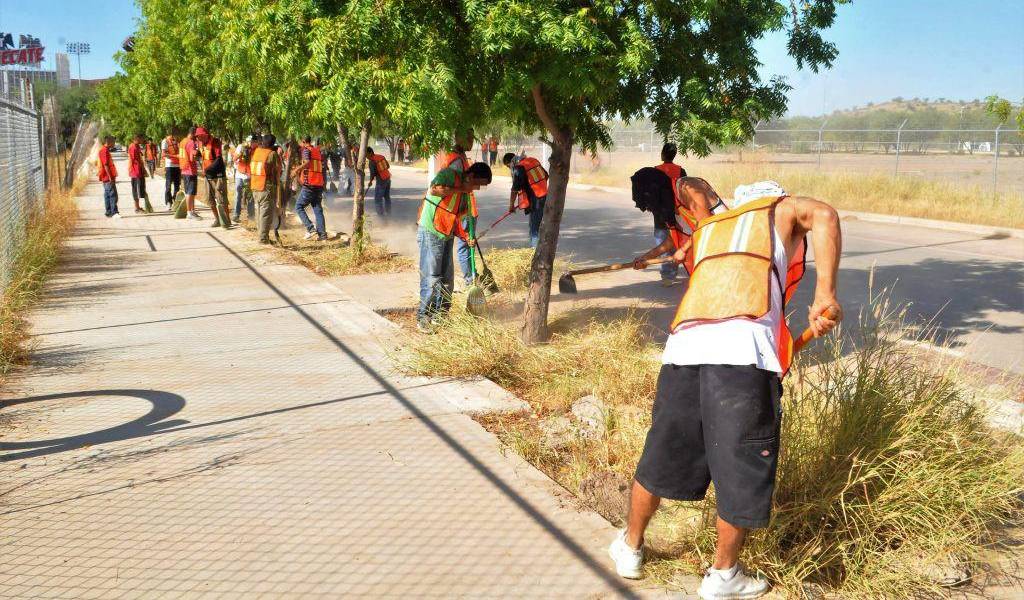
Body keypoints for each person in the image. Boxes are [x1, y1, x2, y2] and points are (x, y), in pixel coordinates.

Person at [609, 179, 843, 600]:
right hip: (742, 357)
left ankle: (630, 548)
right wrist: (825, 292)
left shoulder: (714, 228)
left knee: (661, 452)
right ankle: (723, 575)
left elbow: (692, 194)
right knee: (740, 468)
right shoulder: (779, 209)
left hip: (683, 350)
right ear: (776, 197)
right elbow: (824, 214)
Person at [416, 162, 493, 332]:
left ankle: (441, 315)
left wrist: (466, 236)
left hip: (447, 233)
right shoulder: (449, 175)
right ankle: (424, 317)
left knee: (447, 279)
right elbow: (435, 189)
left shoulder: (466, 195)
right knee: (431, 278)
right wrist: (461, 189)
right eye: (478, 184)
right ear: (471, 176)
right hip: (431, 232)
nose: (477, 189)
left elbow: (457, 218)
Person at [652, 143, 687, 286]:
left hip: (660, 213)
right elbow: (684, 192)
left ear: (662, 154)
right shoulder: (681, 171)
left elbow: (652, 193)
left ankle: (667, 276)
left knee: (662, 243)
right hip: (676, 212)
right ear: (674, 155)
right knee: (675, 242)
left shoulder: (655, 170)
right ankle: (671, 273)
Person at [502, 152, 549, 247]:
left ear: (510, 162)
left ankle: (534, 250)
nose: (510, 169)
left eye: (508, 166)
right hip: (545, 196)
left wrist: (511, 205)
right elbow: (546, 175)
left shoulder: (519, 168)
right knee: (537, 225)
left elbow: (514, 189)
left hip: (536, 199)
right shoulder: (533, 160)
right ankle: (538, 248)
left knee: (534, 228)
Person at [291, 136, 327, 240]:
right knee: (317, 209)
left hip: (310, 184)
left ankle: (311, 229)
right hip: (318, 183)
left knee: (298, 206)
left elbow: (307, 162)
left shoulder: (306, 150)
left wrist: (296, 170)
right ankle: (323, 235)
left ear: (303, 141)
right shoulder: (316, 151)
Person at [195, 126, 230, 228]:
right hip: (208, 176)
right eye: (198, 137)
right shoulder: (200, 143)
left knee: (221, 199)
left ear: (205, 135)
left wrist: (208, 169)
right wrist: (197, 154)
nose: (199, 138)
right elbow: (202, 155)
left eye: (201, 136)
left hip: (218, 176)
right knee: (210, 200)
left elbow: (218, 159)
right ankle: (217, 219)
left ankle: (227, 220)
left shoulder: (215, 142)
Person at [250, 134, 281, 244]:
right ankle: (263, 239)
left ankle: (262, 235)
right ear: (272, 144)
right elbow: (278, 172)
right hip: (265, 187)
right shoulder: (272, 154)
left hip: (254, 186)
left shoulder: (257, 151)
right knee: (265, 214)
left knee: (259, 212)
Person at [179, 127, 202, 220]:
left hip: (184, 169)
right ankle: (189, 213)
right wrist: (198, 154)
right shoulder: (191, 142)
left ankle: (192, 211)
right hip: (190, 170)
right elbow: (193, 158)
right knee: (190, 192)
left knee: (190, 192)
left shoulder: (182, 141)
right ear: (193, 134)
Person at [233, 136, 255, 223]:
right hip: (239, 174)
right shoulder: (240, 147)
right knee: (238, 194)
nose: (250, 144)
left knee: (249, 196)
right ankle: (236, 215)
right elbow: (234, 159)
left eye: (252, 142)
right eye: (249, 142)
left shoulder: (256, 150)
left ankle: (251, 216)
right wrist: (241, 153)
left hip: (249, 176)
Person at [97, 136, 120, 219]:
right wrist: (110, 177)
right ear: (109, 142)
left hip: (106, 177)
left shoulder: (105, 150)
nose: (114, 144)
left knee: (107, 194)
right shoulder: (104, 151)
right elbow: (105, 165)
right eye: (113, 142)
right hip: (107, 177)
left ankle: (109, 212)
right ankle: (114, 212)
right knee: (112, 194)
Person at [366, 146, 392, 216]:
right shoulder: (381, 156)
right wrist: (381, 169)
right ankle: (388, 213)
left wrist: (370, 182)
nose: (366, 156)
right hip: (388, 178)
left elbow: (372, 174)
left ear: (370, 153)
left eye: (366, 154)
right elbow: (388, 166)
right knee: (387, 197)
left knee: (378, 198)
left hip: (381, 180)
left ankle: (381, 216)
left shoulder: (372, 161)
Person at [127, 134, 148, 213]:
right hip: (135, 172)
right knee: (136, 189)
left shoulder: (137, 146)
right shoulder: (132, 147)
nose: (143, 140)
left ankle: (138, 207)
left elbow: (139, 159)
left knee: (141, 189)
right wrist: (141, 169)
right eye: (142, 138)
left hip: (139, 171)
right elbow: (134, 160)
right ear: (137, 138)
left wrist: (143, 169)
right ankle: (136, 208)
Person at [161, 133, 181, 209]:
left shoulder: (178, 141)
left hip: (178, 166)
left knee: (177, 186)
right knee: (168, 186)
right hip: (169, 166)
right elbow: (163, 154)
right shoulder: (165, 141)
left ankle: (175, 201)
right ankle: (168, 202)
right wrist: (175, 156)